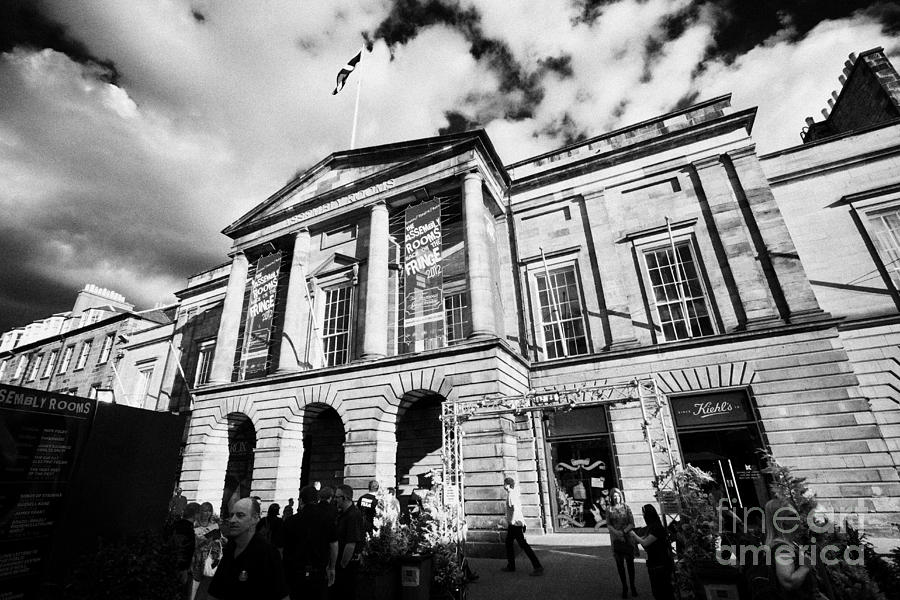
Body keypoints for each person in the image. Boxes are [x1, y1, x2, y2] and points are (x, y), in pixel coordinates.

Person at [207, 497, 289, 600]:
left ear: (255, 518)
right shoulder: (230, 548)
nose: (232, 520)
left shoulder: (268, 553)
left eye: (240, 515)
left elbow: (281, 595)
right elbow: (216, 589)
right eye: (231, 515)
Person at [757, 498, 826, 599]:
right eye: (793, 515)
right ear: (783, 521)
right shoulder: (782, 549)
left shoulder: (790, 544)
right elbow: (788, 582)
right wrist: (805, 567)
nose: (799, 517)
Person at [282, 485, 338, 600]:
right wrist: (332, 567)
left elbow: (280, 548)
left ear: (301, 500)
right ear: (317, 500)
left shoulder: (291, 521)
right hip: (318, 572)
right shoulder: (327, 519)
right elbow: (334, 545)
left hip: (294, 573)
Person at [500, 477, 544, 576]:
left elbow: (516, 509)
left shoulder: (511, 495)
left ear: (507, 485)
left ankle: (538, 567)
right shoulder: (513, 493)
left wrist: (512, 521)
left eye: (504, 484)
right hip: (516, 524)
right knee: (509, 543)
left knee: (523, 545)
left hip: (515, 524)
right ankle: (511, 565)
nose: (503, 486)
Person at [630, 504, 674, 600]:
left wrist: (634, 535)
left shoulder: (657, 528)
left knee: (663, 590)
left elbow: (645, 543)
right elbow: (644, 538)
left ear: (649, 515)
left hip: (660, 563)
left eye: (644, 514)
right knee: (657, 590)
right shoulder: (651, 527)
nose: (643, 516)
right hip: (653, 562)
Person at [600, 488, 638, 598]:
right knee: (620, 565)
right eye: (614, 496)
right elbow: (608, 524)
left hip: (628, 539)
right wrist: (616, 532)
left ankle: (632, 586)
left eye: (618, 495)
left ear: (621, 496)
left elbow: (632, 523)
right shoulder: (609, 509)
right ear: (611, 498)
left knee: (630, 565)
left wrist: (623, 532)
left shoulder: (626, 507)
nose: (616, 498)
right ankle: (625, 587)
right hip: (616, 539)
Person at [333, 484, 365, 600]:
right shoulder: (343, 514)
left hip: (347, 566)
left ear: (345, 498)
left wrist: (342, 565)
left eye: (337, 497)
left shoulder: (353, 515)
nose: (335, 499)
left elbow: (351, 544)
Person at [191, 502, 222, 600]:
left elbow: (218, 541)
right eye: (205, 510)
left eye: (209, 511)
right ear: (200, 511)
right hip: (196, 556)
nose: (207, 513)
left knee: (205, 587)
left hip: (208, 558)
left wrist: (220, 540)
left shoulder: (214, 525)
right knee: (193, 585)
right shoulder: (194, 524)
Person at [173, 502, 198, 599]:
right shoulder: (188, 528)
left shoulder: (177, 525)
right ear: (196, 514)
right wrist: (185, 568)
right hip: (181, 566)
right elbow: (187, 549)